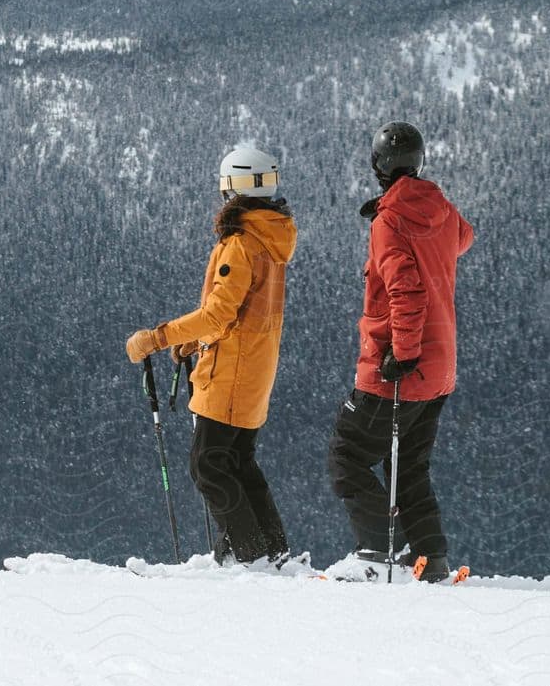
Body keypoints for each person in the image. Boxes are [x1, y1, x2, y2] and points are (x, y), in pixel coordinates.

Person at [125, 144, 298, 565]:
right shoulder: (270, 238)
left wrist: (158, 337)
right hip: (255, 366)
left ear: (231, 189)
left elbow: (219, 315)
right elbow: (240, 311)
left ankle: (250, 555)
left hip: (232, 372)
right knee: (238, 462)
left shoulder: (240, 244)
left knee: (209, 466)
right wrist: (195, 340)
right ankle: (269, 551)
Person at [327, 122, 474, 581]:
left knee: (346, 453)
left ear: (378, 167)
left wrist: (402, 353)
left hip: (401, 367)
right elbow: (464, 238)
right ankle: (431, 559)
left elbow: (406, 292)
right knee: (408, 465)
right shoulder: (442, 210)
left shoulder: (389, 221)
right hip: (441, 367)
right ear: (420, 161)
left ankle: (374, 551)